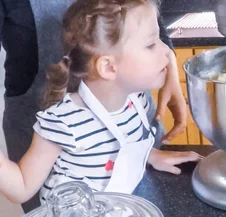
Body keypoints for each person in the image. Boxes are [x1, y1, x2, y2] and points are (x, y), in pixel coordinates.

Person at [0, 0, 201, 206]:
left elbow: (118, 146)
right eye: (151, 45)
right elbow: (21, 187)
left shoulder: (135, 101)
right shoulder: (63, 124)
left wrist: (150, 155)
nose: (167, 52)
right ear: (108, 67)